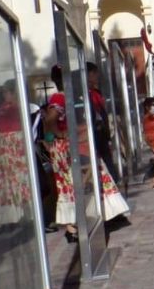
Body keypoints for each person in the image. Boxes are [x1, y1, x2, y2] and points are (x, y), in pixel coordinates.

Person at [44, 65, 129, 243]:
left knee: (86, 179)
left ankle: (96, 216)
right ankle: (72, 225)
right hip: (68, 148)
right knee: (72, 182)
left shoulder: (68, 96)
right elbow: (50, 119)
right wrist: (61, 135)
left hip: (76, 144)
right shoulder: (60, 97)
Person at [0, 80, 32, 227]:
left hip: (16, 149)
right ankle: (18, 216)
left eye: (6, 92)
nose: (4, 95)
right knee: (13, 183)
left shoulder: (16, 108)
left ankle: (27, 215)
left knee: (22, 181)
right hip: (8, 152)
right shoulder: (4, 109)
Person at [87, 62, 117, 181]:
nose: (97, 76)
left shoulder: (95, 92)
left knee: (108, 161)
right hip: (93, 133)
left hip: (102, 132)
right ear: (89, 74)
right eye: (95, 73)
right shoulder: (84, 94)